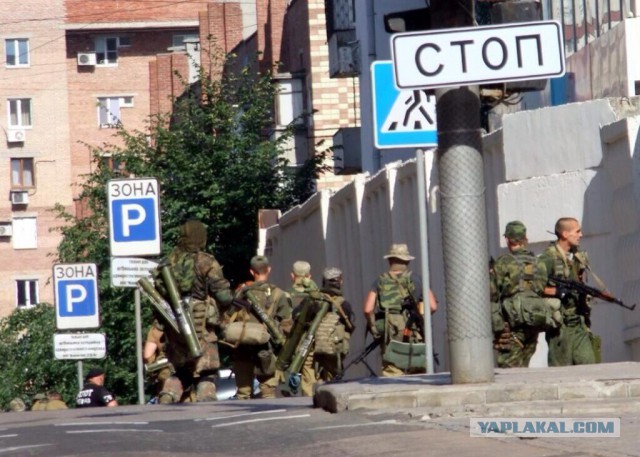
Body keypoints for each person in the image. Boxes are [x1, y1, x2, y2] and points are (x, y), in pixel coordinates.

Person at [151, 219, 234, 403]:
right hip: (201, 327)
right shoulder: (206, 261)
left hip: (176, 328)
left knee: (180, 373)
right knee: (206, 374)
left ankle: (166, 396)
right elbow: (224, 297)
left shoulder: (167, 262)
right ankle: (207, 405)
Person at [490, 221, 560, 368]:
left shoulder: (504, 263)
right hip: (534, 321)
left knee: (508, 367)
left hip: (512, 324)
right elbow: (540, 290)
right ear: (525, 238)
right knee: (524, 366)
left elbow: (492, 294)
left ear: (508, 239)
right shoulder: (538, 263)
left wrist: (497, 324)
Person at [363, 244, 438, 377]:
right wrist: (419, 318)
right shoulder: (417, 279)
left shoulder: (379, 281)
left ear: (390, 261)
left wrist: (374, 329)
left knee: (392, 375)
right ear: (407, 261)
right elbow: (432, 306)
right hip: (414, 334)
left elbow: (368, 309)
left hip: (390, 334)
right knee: (419, 373)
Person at [228, 255, 293, 399]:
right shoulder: (279, 294)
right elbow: (287, 325)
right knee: (268, 392)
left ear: (252, 272)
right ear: (268, 270)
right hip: (267, 349)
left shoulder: (241, 293)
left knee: (243, 393)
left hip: (242, 346)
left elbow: (228, 317)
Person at [539, 217, 598, 366]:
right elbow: (534, 288)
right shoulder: (548, 258)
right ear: (565, 234)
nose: (581, 235)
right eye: (577, 231)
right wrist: (557, 292)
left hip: (579, 323)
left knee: (589, 365)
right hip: (559, 326)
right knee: (561, 373)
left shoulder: (578, 257)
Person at [311, 267, 356, 382]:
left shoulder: (313, 301)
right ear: (340, 282)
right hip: (335, 352)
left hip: (314, 351)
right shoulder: (344, 305)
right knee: (334, 383)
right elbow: (349, 327)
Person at [287, 260, 319, 396]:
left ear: (292, 276)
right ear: (309, 276)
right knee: (309, 377)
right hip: (310, 341)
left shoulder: (285, 295)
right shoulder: (316, 296)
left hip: (290, 343)